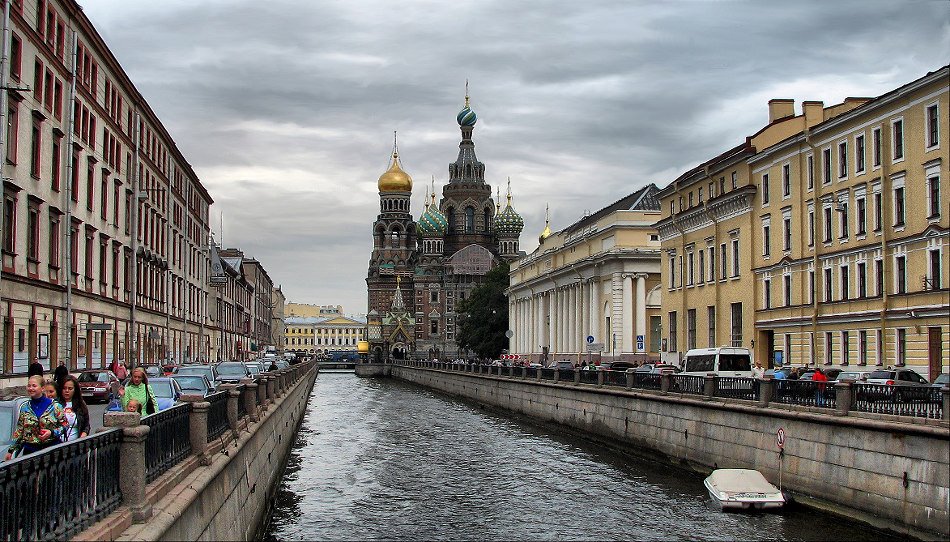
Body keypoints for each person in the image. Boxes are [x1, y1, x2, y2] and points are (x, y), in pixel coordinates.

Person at [5, 376, 67, 460]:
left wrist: (51, 432)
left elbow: (65, 425)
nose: (31, 388)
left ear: (42, 388)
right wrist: (11, 451)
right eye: (29, 386)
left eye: (34, 386)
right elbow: (20, 431)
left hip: (51, 450)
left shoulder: (55, 406)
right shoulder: (25, 407)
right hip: (30, 452)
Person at [57, 375, 90, 442]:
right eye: (64, 388)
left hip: (75, 445)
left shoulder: (80, 404)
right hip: (57, 444)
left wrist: (83, 435)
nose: (67, 391)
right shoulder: (56, 404)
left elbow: (86, 425)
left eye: (70, 388)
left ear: (75, 390)